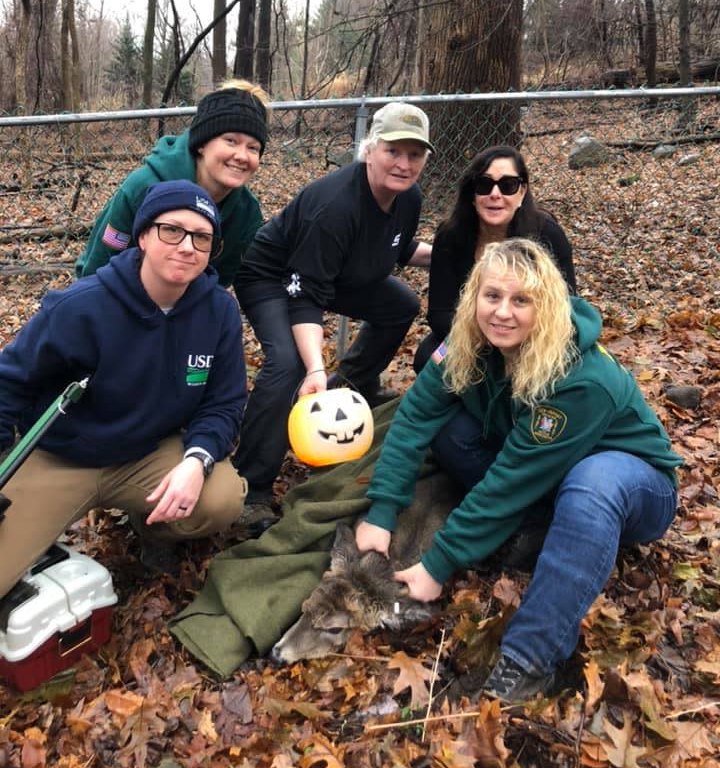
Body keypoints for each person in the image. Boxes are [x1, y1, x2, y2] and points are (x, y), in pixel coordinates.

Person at [357, 238, 680, 703]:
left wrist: (439, 563)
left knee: (590, 486)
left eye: (521, 300)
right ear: (475, 298)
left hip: (636, 485)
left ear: (545, 306)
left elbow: (510, 479)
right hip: (546, 467)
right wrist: (383, 511)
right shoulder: (469, 339)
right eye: (492, 296)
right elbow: (416, 415)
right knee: (449, 425)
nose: (502, 312)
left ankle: (530, 658)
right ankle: (537, 528)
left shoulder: (580, 379)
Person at [0, 180, 249, 594]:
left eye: (202, 238)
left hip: (146, 454)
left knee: (221, 498)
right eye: (172, 230)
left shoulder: (218, 311)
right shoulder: (80, 306)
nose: (187, 246)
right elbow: (9, 380)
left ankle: (150, 527)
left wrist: (196, 461)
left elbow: (225, 403)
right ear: (144, 236)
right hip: (62, 455)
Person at [233, 102, 434, 516]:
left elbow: (398, 248)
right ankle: (251, 484)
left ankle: (354, 383)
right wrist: (313, 368)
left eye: (414, 154)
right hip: (273, 276)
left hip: (334, 273)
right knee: (288, 363)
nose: (403, 163)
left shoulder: (408, 197)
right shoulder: (336, 205)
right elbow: (307, 295)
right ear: (370, 150)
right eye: (393, 151)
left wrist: (456, 252)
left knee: (401, 304)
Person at [76, 80, 268, 296]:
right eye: (231, 141)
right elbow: (98, 266)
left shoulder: (246, 212)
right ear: (202, 144)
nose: (242, 156)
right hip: (118, 301)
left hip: (184, 311)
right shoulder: (142, 187)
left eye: (253, 148)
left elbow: (218, 281)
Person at [414, 145, 576, 372]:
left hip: (531, 337)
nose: (495, 194)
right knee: (429, 357)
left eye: (508, 185)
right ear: (472, 194)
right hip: (471, 335)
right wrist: (485, 337)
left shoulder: (547, 235)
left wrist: (512, 340)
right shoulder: (450, 235)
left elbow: (568, 307)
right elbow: (440, 313)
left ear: (522, 192)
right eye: (484, 184)